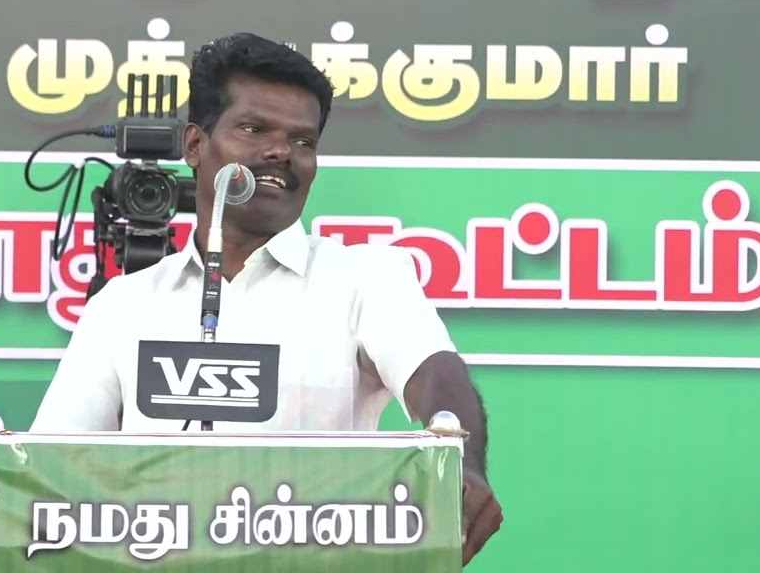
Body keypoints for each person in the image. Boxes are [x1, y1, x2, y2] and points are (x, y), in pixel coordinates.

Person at [30, 32, 502, 564]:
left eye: (304, 141)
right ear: (195, 145)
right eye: (254, 129)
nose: (282, 152)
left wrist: (461, 462)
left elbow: (433, 372)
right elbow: (51, 469)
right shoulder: (123, 305)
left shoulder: (365, 277)